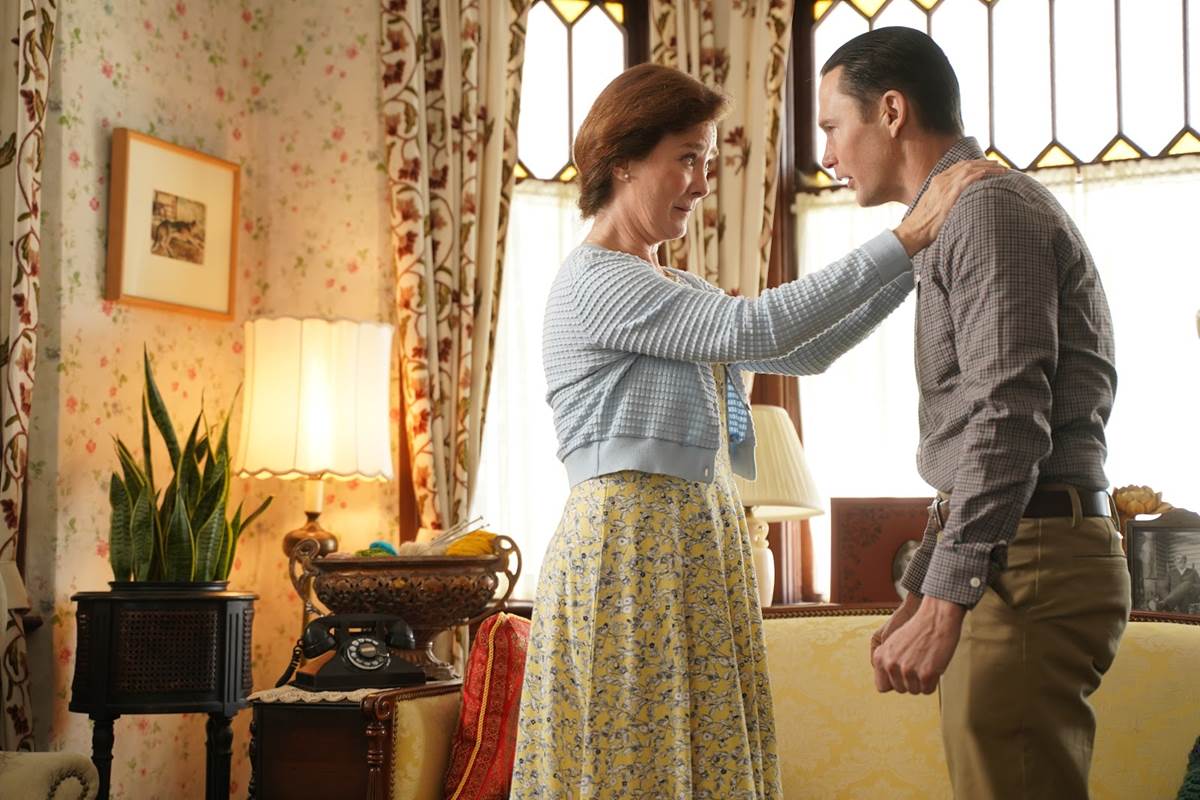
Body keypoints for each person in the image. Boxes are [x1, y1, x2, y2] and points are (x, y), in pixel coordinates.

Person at [509, 62, 1001, 799]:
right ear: (622, 160)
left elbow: (801, 350)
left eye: (707, 162)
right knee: (636, 769)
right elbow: (760, 325)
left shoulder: (672, 285)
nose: (703, 183)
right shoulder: (596, 279)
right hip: (630, 551)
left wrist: (916, 258)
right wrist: (909, 236)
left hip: (691, 542)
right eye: (688, 159)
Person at [817, 27, 1131, 800]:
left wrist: (946, 596)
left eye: (832, 126)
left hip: (1031, 559)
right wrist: (929, 585)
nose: (827, 155)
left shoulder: (987, 209)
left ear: (892, 111)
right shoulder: (958, 218)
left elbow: (1008, 416)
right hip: (1016, 553)